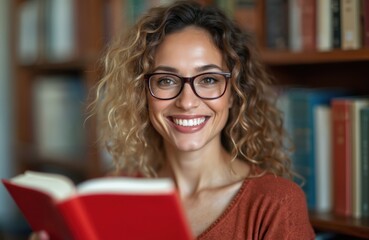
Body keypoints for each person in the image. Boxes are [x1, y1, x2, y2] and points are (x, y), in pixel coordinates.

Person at [31, 1, 315, 239]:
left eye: (208, 79)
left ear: (234, 91)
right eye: (166, 80)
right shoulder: (117, 193)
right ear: (143, 93)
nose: (187, 101)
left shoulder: (275, 203)